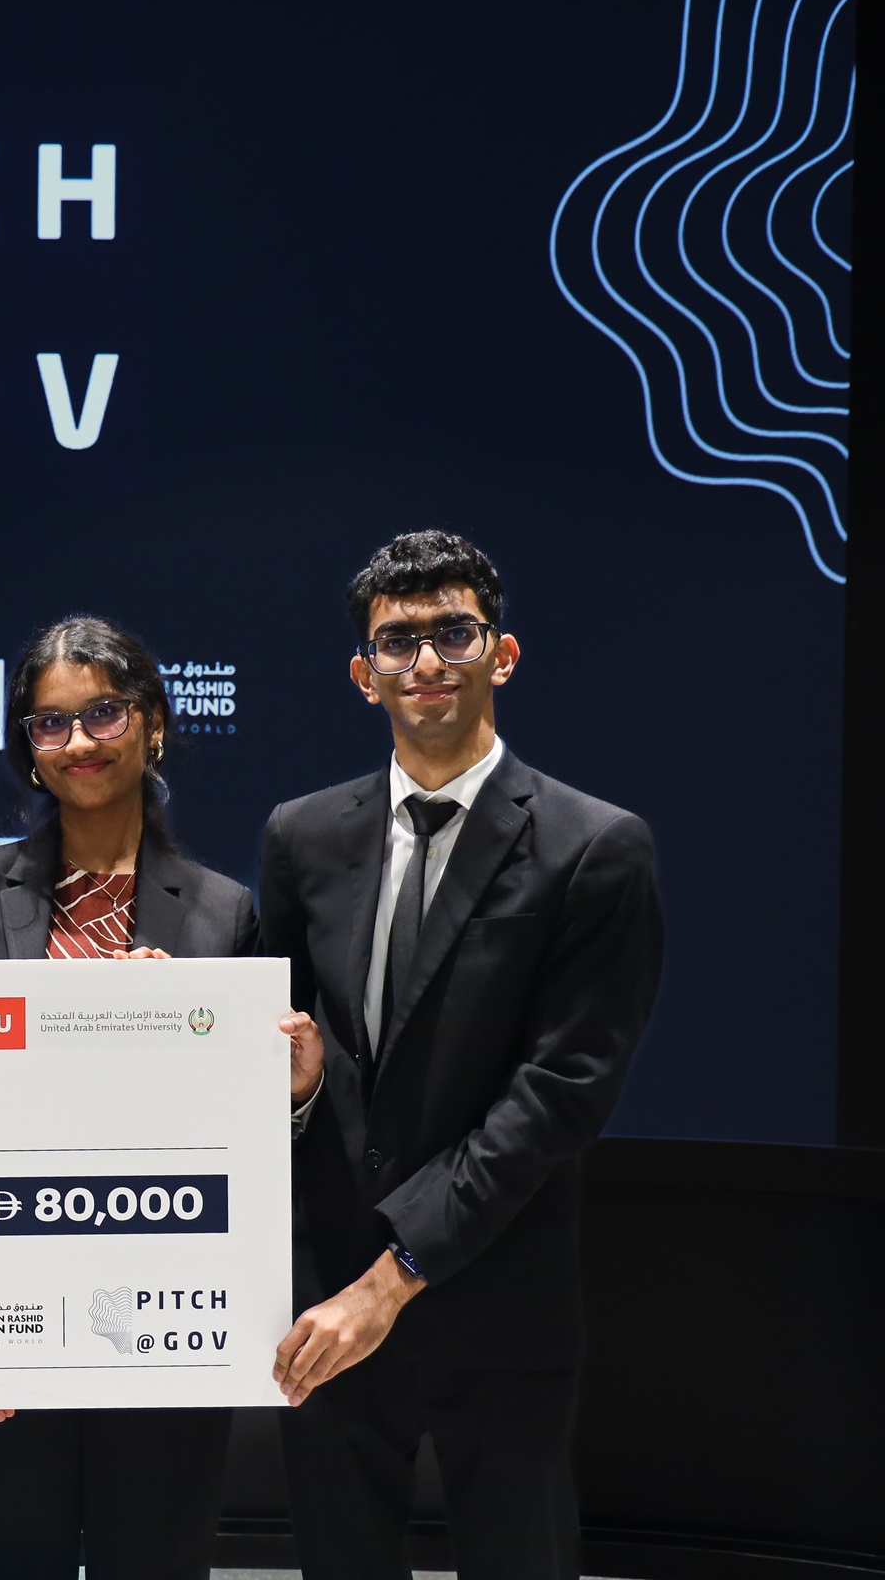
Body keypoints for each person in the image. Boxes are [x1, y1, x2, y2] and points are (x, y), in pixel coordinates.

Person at [259, 531, 662, 1578]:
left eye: (455, 633)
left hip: (500, 1299)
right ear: (365, 674)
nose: (428, 661)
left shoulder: (595, 846)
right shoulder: (301, 837)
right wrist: (294, 1092)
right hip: (324, 1296)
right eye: (399, 641)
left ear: (503, 654)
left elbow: (560, 1095)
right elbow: (290, 1054)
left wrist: (392, 1281)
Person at [0, 617, 314, 1580]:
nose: (78, 742)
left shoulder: (224, 911)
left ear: (154, 725)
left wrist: (291, 1092)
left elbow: (243, 1149)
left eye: (103, 713)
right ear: (28, 746)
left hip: (164, 1317)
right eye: (50, 723)